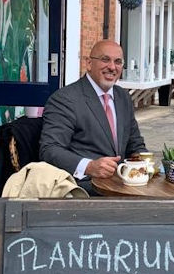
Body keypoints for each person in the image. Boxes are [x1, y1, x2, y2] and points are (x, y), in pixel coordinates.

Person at [40, 40, 147, 194]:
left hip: (123, 186)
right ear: (89, 63)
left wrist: (144, 161)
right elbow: (50, 149)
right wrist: (89, 166)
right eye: (105, 59)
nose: (112, 67)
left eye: (118, 62)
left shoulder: (123, 96)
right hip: (84, 190)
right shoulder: (65, 99)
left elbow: (135, 143)